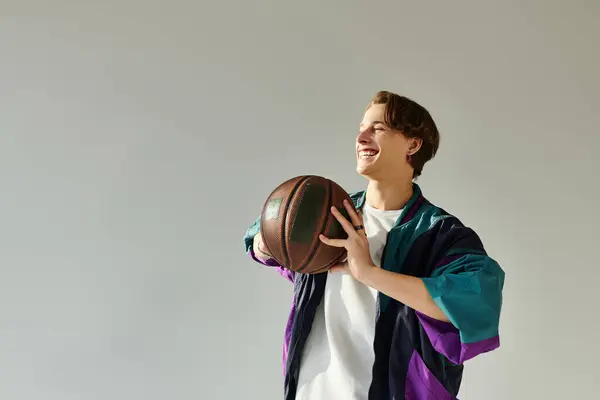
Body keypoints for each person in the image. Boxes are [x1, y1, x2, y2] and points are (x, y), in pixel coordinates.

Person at [243, 90, 505, 400]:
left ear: (413, 143)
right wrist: (266, 242)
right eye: (361, 129)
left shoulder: (440, 235)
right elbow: (264, 240)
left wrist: (368, 272)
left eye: (377, 128)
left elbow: (475, 304)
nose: (362, 137)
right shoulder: (330, 215)